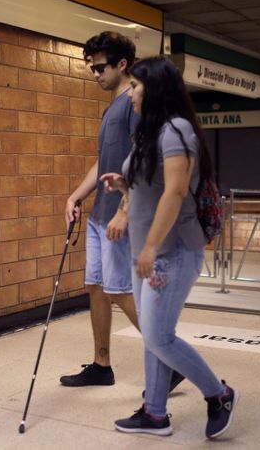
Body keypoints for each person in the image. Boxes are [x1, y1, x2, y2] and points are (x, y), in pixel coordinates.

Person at [100, 56, 238, 439]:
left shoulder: (177, 130)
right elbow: (151, 187)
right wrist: (122, 184)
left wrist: (150, 248)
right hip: (146, 251)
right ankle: (155, 413)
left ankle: (219, 394)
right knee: (153, 335)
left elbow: (176, 192)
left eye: (136, 87)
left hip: (171, 252)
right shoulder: (151, 131)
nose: (130, 95)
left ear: (155, 88)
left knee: (159, 336)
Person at [60, 32, 184, 393]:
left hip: (119, 217)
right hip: (100, 214)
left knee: (119, 290)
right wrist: (75, 197)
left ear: (122, 65)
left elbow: (143, 160)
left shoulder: (133, 105)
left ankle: (171, 361)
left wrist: (125, 213)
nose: (95, 74)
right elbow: (105, 164)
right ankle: (101, 365)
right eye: (92, 68)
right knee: (96, 287)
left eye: (100, 68)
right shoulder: (110, 108)